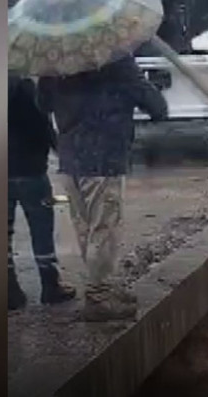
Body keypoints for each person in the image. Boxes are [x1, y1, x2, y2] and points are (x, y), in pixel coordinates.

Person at [38, 55, 168, 322]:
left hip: (70, 159)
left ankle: (102, 286)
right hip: (103, 158)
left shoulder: (54, 60)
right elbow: (157, 107)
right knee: (104, 229)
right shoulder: (116, 59)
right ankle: (99, 296)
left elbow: (43, 104)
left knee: (86, 229)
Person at [8, 75, 76, 311]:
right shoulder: (26, 87)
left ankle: (10, 291)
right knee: (42, 230)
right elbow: (42, 126)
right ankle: (50, 286)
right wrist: (61, 151)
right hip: (32, 172)